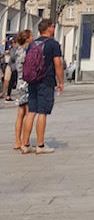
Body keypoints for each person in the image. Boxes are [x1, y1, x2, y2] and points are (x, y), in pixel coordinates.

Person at [21, 19, 63, 154]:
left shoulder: (32, 44)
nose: (54, 28)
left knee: (31, 111)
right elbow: (58, 64)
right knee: (42, 113)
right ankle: (40, 145)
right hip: (46, 81)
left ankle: (25, 144)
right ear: (49, 28)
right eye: (53, 26)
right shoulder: (53, 44)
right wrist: (61, 81)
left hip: (32, 80)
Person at [12, 30, 32, 150]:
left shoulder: (18, 51)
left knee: (20, 113)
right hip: (27, 83)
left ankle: (17, 140)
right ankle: (26, 141)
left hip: (20, 82)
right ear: (27, 39)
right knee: (29, 112)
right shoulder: (27, 51)